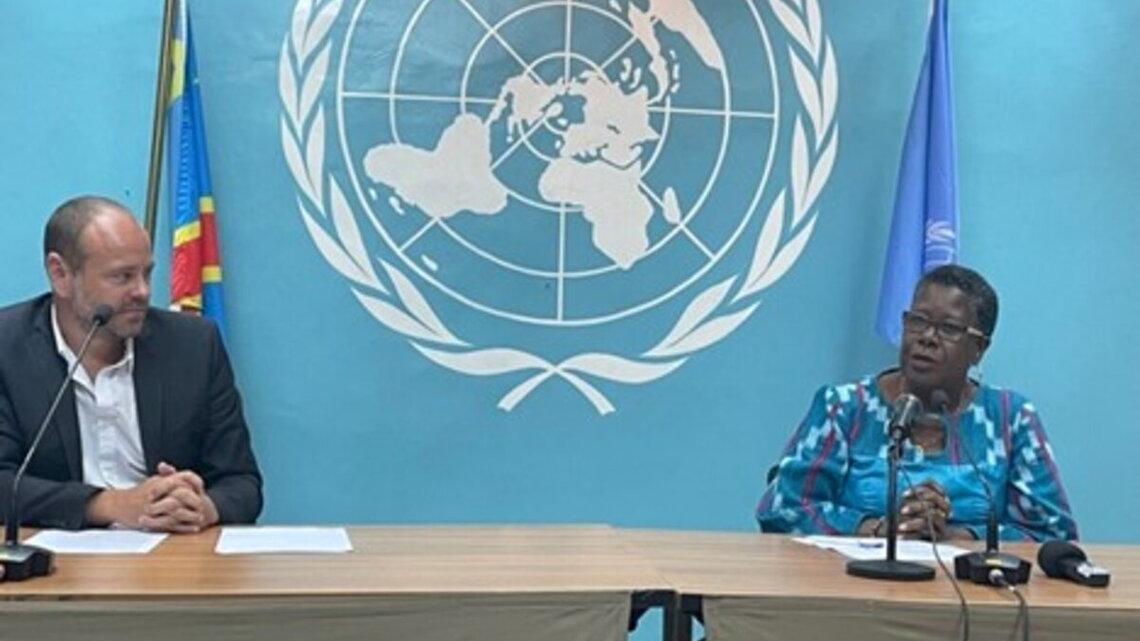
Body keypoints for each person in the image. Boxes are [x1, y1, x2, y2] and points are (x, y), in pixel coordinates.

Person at [756, 265, 1077, 542]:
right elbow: (782, 510)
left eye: (948, 329)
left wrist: (955, 536)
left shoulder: (1010, 418)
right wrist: (879, 529)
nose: (927, 338)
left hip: (972, 592)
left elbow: (1052, 534)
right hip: (851, 587)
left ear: (979, 347)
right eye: (918, 321)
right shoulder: (844, 408)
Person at [0, 196, 262, 533]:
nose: (142, 291)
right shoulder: (7, 347)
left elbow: (241, 481)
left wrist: (202, 507)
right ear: (60, 274)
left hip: (170, 554)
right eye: (122, 277)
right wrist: (110, 504)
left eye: (147, 273)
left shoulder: (194, 346)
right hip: (59, 556)